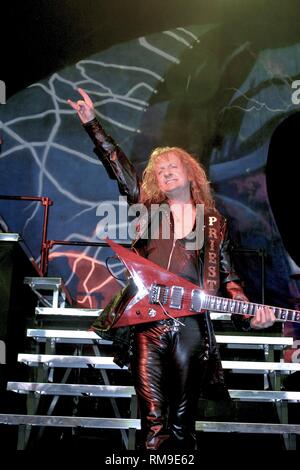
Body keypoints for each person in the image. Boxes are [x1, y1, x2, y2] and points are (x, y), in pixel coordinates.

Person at [67, 88, 276, 451]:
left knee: (182, 424)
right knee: (154, 425)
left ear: (190, 175)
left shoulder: (213, 222)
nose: (164, 173)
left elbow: (229, 279)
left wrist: (250, 315)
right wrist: (92, 124)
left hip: (192, 323)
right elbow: (119, 168)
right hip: (149, 320)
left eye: (171, 167)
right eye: (158, 171)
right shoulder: (149, 212)